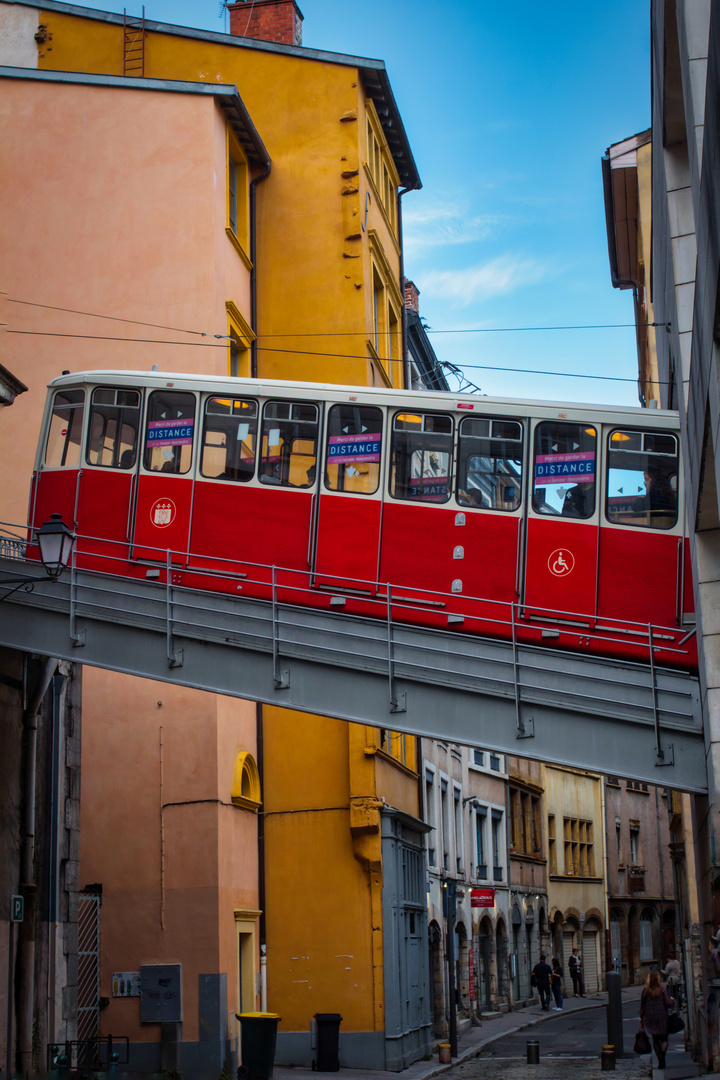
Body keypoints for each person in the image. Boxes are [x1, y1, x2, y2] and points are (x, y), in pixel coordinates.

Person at [640, 969, 674, 1069]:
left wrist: (641, 1017)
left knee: (655, 1039)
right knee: (664, 1038)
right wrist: (673, 1000)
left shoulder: (646, 991)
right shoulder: (662, 989)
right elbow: (668, 1003)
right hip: (661, 1016)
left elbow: (642, 1005)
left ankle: (659, 1058)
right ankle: (662, 1056)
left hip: (650, 1017)